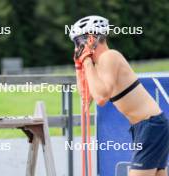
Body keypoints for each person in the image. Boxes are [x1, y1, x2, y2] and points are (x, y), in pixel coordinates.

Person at [69, 15, 169, 176]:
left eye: (78, 42)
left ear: (91, 39)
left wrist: (87, 62)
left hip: (150, 125)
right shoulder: (99, 65)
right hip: (146, 126)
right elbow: (86, 98)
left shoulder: (110, 57)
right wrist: (79, 67)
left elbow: (101, 99)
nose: (77, 48)